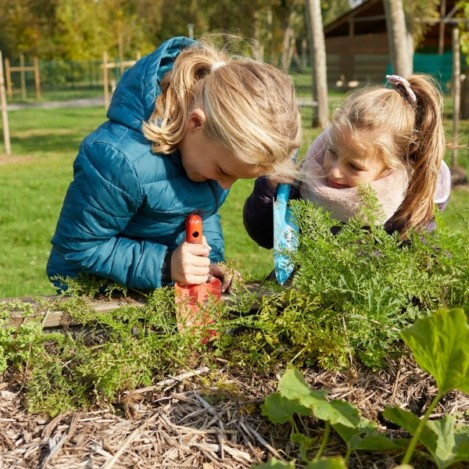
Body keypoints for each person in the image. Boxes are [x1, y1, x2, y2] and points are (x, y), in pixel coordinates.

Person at [47, 36, 301, 292]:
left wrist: (208, 262)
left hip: (158, 289)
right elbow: (78, 247)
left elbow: (202, 211)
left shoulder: (206, 158)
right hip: (94, 297)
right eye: (223, 171)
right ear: (195, 123)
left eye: (236, 177)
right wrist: (166, 265)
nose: (225, 185)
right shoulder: (120, 162)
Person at [244, 74, 451, 251]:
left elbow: (419, 269)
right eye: (331, 152)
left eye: (354, 166)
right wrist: (267, 191)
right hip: (299, 293)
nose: (334, 172)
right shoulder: (308, 179)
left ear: (390, 168)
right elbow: (265, 236)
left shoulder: (407, 207)